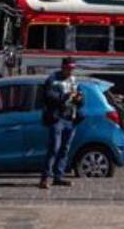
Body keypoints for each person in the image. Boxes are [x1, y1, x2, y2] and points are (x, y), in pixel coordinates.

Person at [39, 56, 83, 189]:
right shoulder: (53, 79)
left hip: (71, 118)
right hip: (58, 118)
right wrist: (64, 97)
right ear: (63, 67)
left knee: (65, 148)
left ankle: (59, 176)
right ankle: (46, 177)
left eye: (72, 69)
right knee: (54, 148)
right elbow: (47, 96)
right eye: (68, 68)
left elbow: (80, 98)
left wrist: (79, 99)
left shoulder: (74, 80)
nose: (70, 72)